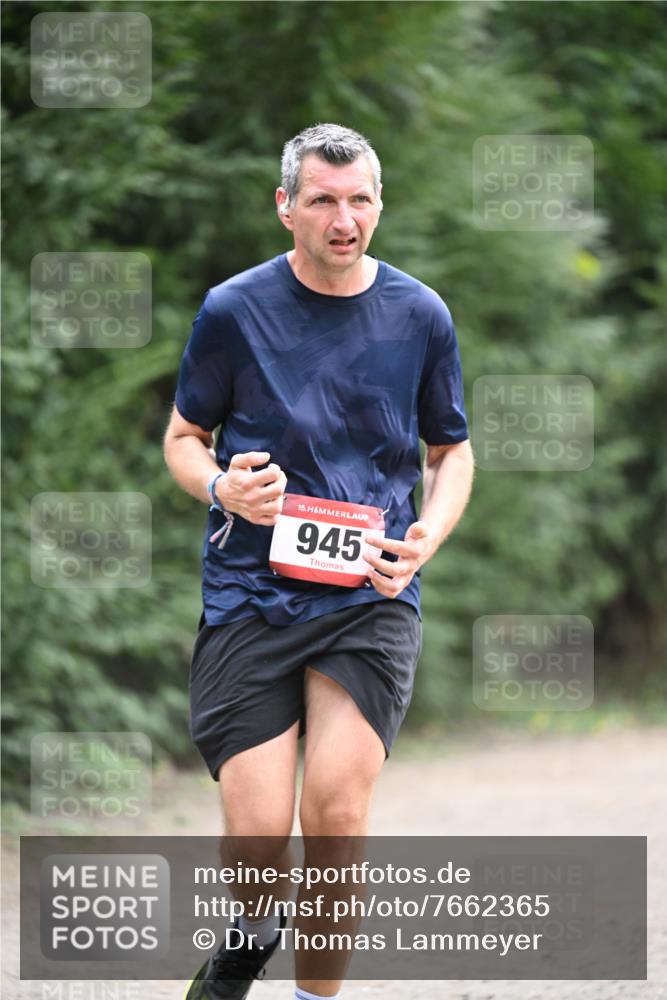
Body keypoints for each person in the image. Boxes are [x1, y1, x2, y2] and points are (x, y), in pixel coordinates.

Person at [163, 123, 474, 1000]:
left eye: (360, 200)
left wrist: (427, 536)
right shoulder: (233, 309)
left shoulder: (420, 314)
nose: (345, 220)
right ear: (285, 207)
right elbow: (185, 439)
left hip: (368, 591)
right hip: (251, 591)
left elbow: (449, 450)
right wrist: (222, 487)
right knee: (260, 840)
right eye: (324, 200)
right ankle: (254, 927)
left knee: (335, 815)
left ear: (379, 204)